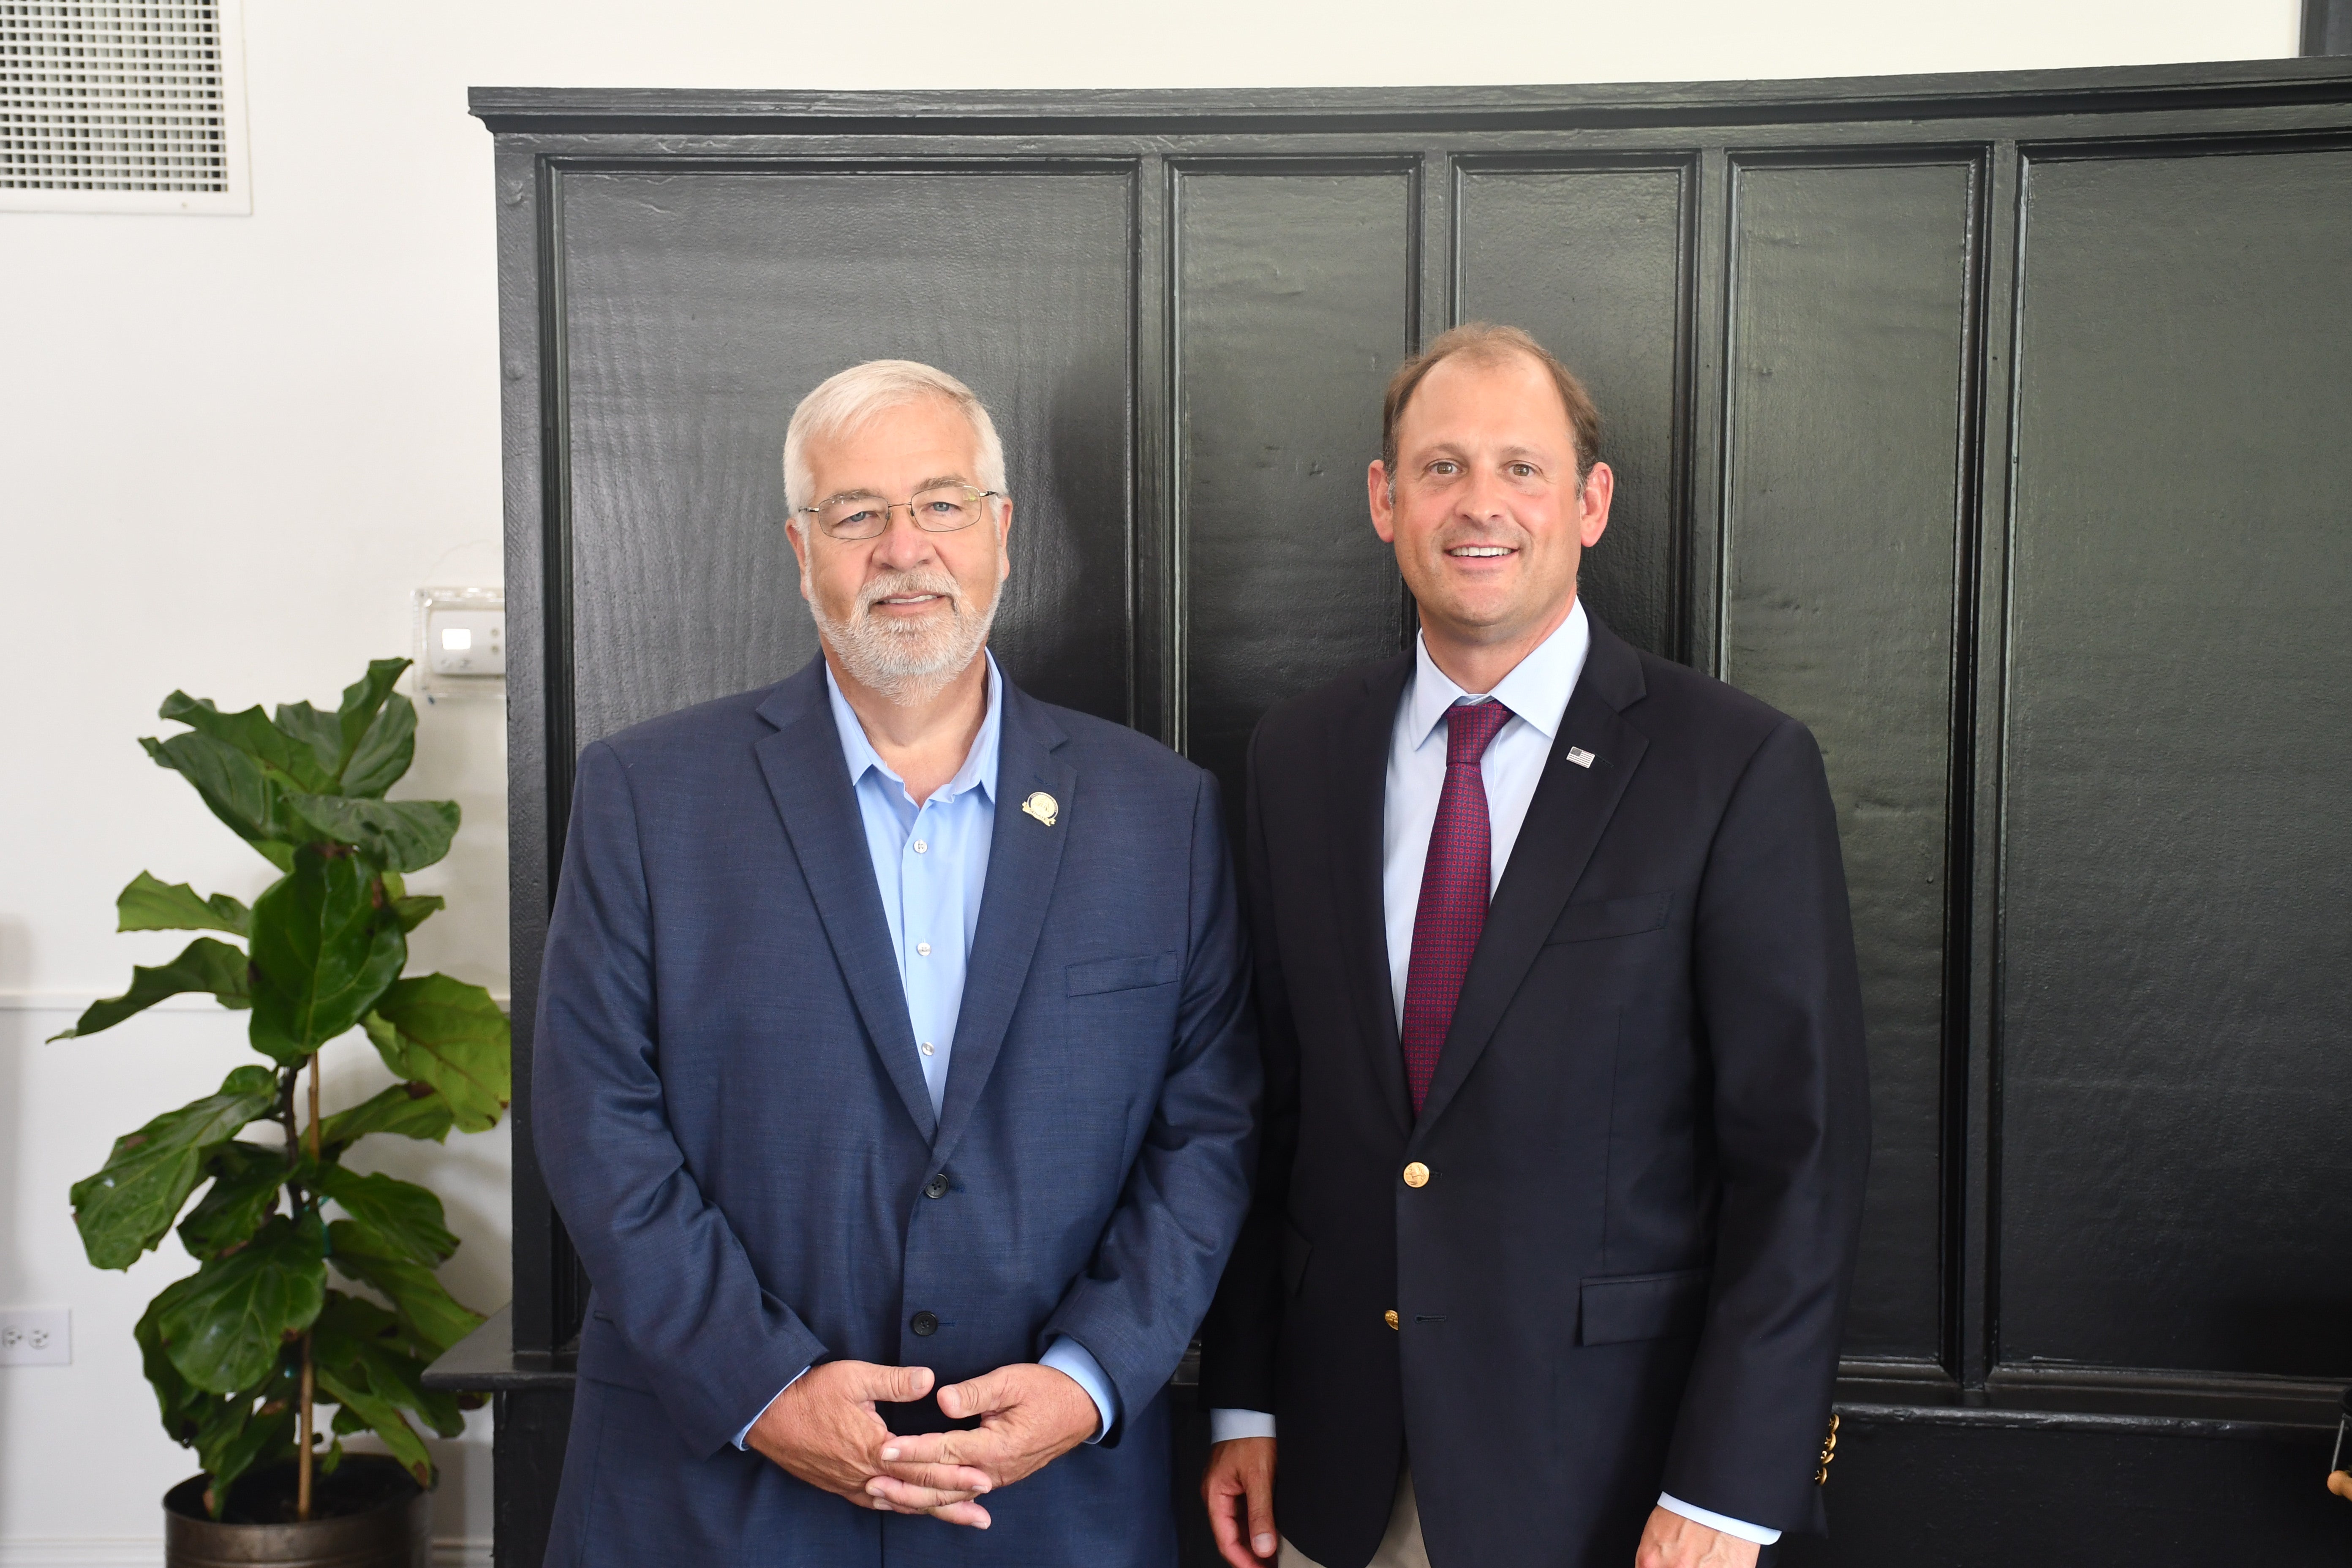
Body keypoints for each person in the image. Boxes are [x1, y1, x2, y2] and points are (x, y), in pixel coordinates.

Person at [534, 359, 1258, 1566]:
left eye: (941, 503)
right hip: (711, 1493)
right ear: (800, 547)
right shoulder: (648, 797)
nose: (903, 549)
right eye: (856, 514)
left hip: (1049, 1506)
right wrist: (764, 1390)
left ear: (1003, 532)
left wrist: (1088, 1380)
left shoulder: (1159, 813)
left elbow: (1211, 1132)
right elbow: (596, 1121)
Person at [1198, 324, 1870, 1568]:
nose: (1479, 505)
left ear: (1591, 503)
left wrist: (1729, 1488)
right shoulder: (1297, 758)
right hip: (1337, 1478)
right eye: (1442, 468)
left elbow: (1800, 1159)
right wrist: (1246, 1397)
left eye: (1522, 468)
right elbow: (1269, 1110)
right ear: (1384, 502)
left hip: (1618, 1488)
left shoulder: (1732, 765)